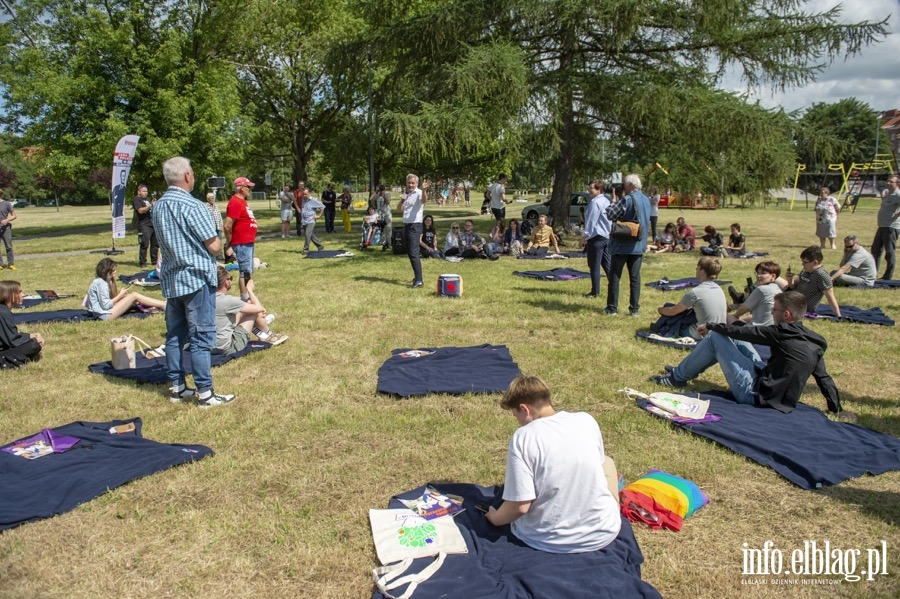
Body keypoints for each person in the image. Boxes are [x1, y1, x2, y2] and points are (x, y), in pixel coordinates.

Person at [650, 291, 855, 420]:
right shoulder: (816, 341)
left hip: (755, 395)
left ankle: (676, 378)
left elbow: (743, 331)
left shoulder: (780, 332)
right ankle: (680, 370)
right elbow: (823, 377)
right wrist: (836, 408)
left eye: (775, 310)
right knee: (735, 339)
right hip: (774, 391)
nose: (772, 313)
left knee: (715, 337)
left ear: (787, 315)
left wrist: (710, 325)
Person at [485, 375, 621, 553]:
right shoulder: (586, 420)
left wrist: (495, 518)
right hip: (604, 532)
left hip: (547, 539)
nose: (517, 421)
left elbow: (520, 506)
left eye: (515, 415)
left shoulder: (523, 437)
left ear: (524, 409)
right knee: (607, 463)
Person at [152, 156, 234, 408]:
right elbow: (214, 245)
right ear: (187, 176)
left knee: (175, 335)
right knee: (201, 337)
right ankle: (205, 393)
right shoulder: (194, 206)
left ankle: (177, 387)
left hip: (172, 278)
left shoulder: (158, 207)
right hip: (197, 278)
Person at [605, 173, 651, 316]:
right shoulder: (646, 200)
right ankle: (634, 309)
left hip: (622, 244)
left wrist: (613, 200)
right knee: (635, 278)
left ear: (631, 185)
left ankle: (612, 308)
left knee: (615, 277)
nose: (623, 187)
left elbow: (610, 214)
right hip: (638, 244)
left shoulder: (627, 200)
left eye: (625, 184)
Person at [214, 265, 286, 353]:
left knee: (244, 309)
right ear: (227, 282)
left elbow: (239, 302)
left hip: (207, 347)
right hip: (227, 348)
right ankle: (267, 333)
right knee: (252, 312)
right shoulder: (228, 301)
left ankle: (261, 330)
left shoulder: (205, 299)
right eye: (230, 278)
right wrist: (250, 290)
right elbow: (258, 308)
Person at [656, 257, 727, 340]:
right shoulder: (719, 289)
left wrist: (660, 309)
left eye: (697, 268)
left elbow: (673, 312)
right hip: (720, 331)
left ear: (702, 272)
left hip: (702, 333)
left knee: (675, 322)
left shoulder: (695, 293)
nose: (696, 270)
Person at [85, 258, 167, 320]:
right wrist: (120, 295)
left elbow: (111, 299)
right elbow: (106, 305)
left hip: (103, 312)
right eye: (113, 270)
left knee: (129, 297)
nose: (115, 272)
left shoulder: (105, 280)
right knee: (134, 295)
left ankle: (157, 306)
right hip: (103, 315)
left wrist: (121, 296)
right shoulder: (101, 283)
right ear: (106, 271)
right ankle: (164, 304)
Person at [224, 176, 259, 302]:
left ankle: (248, 295)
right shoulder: (235, 202)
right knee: (245, 271)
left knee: (248, 270)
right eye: (248, 187)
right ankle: (245, 298)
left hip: (247, 241)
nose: (250, 189)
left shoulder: (242, 201)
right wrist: (229, 243)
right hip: (241, 242)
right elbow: (227, 225)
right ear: (241, 188)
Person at [784, 246, 841, 317]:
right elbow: (793, 286)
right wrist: (790, 280)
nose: (802, 264)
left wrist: (838, 315)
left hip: (802, 305)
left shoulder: (822, 275)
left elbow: (830, 297)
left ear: (815, 262)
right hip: (793, 297)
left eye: (805, 262)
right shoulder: (806, 270)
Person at [579, 179, 611, 298]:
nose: (589, 191)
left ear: (599, 189)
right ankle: (614, 286)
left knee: (594, 265)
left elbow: (591, 221)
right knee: (608, 265)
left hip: (596, 238)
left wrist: (584, 237)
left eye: (591, 188)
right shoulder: (606, 201)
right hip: (606, 237)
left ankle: (595, 291)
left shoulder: (595, 202)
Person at [0, 280, 44, 366]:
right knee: (34, 345)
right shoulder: (3, 312)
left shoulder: (3, 310)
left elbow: (10, 335)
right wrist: (33, 340)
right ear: (10, 295)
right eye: (19, 292)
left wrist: (30, 335)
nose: (23, 295)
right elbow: (13, 341)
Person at [727, 261, 781, 325]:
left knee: (728, 317)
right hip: (771, 328)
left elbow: (742, 309)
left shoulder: (761, 290)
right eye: (758, 273)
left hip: (755, 331)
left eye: (763, 273)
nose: (758, 276)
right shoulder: (778, 290)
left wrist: (735, 316)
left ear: (773, 276)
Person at [872, 174, 900, 280]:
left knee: (889, 253)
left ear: (897, 184)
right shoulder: (889, 193)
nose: (888, 183)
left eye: (891, 182)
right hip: (882, 226)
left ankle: (888, 276)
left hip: (891, 228)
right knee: (875, 251)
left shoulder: (898, 194)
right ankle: (873, 274)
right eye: (887, 181)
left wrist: (897, 215)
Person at [399, 174, 425, 287]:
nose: (410, 185)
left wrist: (424, 190)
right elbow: (398, 210)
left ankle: (419, 280)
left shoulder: (419, 193)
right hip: (407, 225)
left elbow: (424, 200)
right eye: (409, 182)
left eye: (413, 183)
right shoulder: (406, 194)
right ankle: (417, 276)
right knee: (410, 252)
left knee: (413, 252)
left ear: (416, 184)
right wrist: (401, 200)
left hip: (415, 225)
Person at [132, 184, 158, 268]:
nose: (146, 193)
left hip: (152, 223)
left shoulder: (148, 199)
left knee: (155, 244)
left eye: (146, 191)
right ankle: (143, 262)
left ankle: (154, 261)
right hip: (144, 225)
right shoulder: (136, 200)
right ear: (139, 192)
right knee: (144, 244)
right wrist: (150, 205)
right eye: (144, 191)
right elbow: (140, 211)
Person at [300, 188, 326, 253]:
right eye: (303, 194)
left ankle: (306, 249)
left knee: (307, 234)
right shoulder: (302, 200)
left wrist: (319, 216)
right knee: (310, 234)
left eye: (305, 194)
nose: (304, 196)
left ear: (309, 193)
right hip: (304, 220)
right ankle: (320, 246)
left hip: (311, 220)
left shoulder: (313, 200)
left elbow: (322, 207)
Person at [205, 192, 228, 262]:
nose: (212, 199)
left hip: (218, 227)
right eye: (211, 198)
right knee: (212, 242)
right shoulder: (206, 207)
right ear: (208, 199)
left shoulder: (216, 206)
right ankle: (213, 256)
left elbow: (219, 216)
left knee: (219, 241)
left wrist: (222, 225)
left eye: (213, 198)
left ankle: (219, 255)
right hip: (211, 228)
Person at [0, 189, 17, 270]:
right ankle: (0, 264)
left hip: (5, 228)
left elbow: (14, 215)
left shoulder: (6, 204)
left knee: (8, 246)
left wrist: (7, 220)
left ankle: (11, 264)